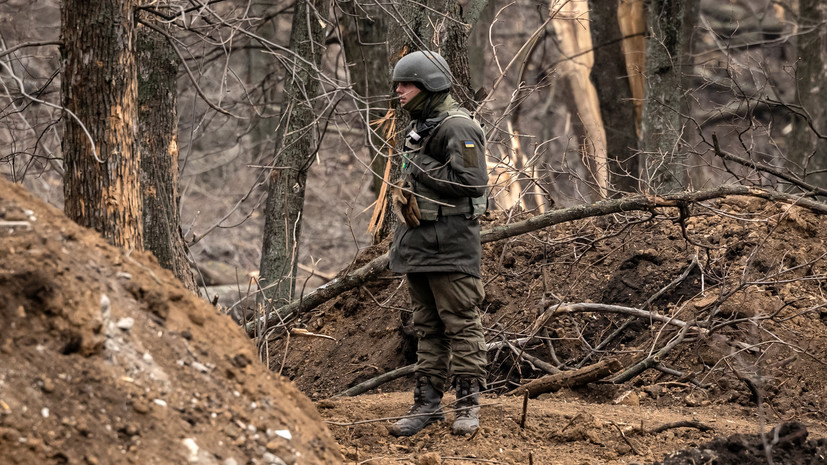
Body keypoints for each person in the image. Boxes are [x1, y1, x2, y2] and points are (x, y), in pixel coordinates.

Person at [386, 50, 489, 437]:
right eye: (398, 84)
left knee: (461, 324)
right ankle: (427, 405)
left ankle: (467, 404)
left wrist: (418, 164)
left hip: (451, 245)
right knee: (426, 328)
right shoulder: (422, 126)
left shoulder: (457, 126)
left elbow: (471, 183)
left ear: (428, 86)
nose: (399, 91)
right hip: (419, 245)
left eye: (406, 84)